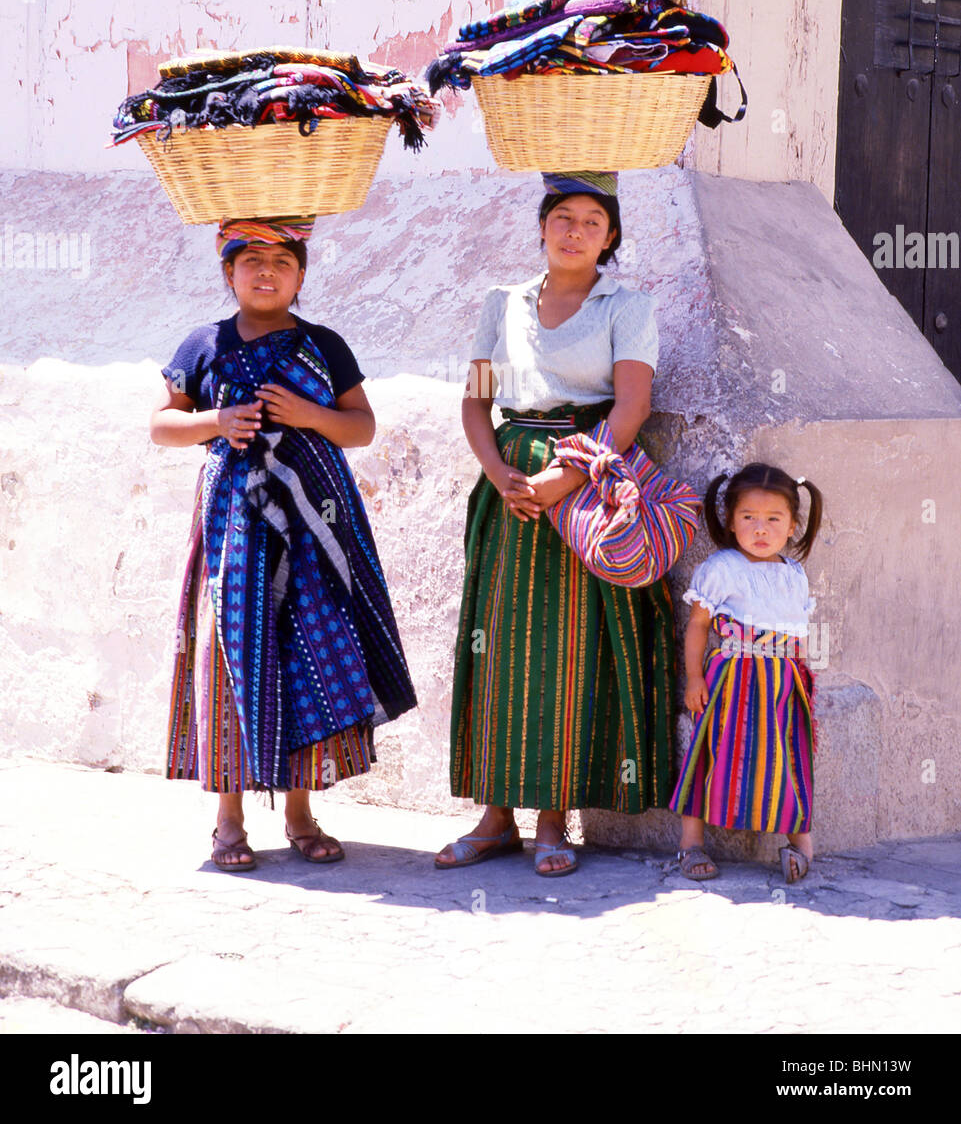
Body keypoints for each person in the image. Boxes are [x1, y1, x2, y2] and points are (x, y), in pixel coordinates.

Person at [150, 216, 416, 871]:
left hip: (314, 528)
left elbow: (361, 428)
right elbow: (161, 424)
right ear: (227, 272)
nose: (265, 272)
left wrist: (309, 417)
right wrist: (216, 421)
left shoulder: (323, 345)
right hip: (234, 529)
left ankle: (301, 814)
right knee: (232, 655)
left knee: (308, 660)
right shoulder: (203, 343)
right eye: (250, 260)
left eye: (281, 261)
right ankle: (229, 823)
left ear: (301, 274)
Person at [435, 172, 676, 877]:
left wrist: (562, 480)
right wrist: (498, 473)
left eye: (592, 221)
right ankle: (492, 817)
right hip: (509, 484)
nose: (574, 230)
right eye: (562, 217)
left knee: (566, 649)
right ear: (541, 227)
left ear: (610, 239)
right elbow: (477, 402)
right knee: (497, 644)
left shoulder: (626, 306)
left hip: (588, 476)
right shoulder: (500, 304)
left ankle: (550, 820)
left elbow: (629, 409)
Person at [669, 463, 823, 883]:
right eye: (748, 518)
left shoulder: (794, 575)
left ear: (793, 525)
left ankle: (801, 845)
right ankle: (690, 844)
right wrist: (695, 677)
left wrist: (803, 678)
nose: (761, 528)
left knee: (788, 757)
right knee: (710, 753)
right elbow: (698, 625)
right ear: (730, 522)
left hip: (782, 682)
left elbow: (797, 632)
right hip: (731, 680)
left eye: (773, 519)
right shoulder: (722, 569)